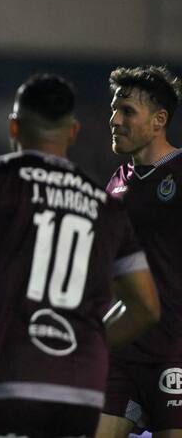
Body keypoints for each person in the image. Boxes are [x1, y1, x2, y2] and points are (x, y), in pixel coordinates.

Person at [0, 74, 160, 438]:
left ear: (14, 126)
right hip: (79, 390)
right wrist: (91, 341)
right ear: (73, 132)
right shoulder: (105, 206)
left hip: (8, 379)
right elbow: (146, 307)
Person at [96, 66, 182, 438]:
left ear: (159, 120)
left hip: (173, 350)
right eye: (114, 109)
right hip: (121, 348)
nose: (114, 120)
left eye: (127, 111)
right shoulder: (116, 183)